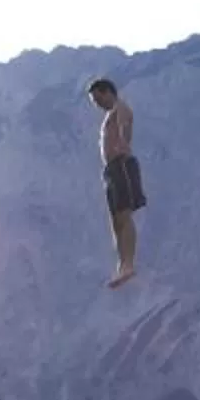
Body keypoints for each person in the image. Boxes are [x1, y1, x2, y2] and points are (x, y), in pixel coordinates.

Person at [86, 77, 146, 288]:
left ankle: (128, 263)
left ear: (107, 92)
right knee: (115, 220)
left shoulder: (121, 109)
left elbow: (125, 128)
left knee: (124, 213)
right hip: (111, 169)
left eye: (97, 99)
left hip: (122, 165)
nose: (97, 104)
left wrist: (123, 143)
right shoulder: (111, 114)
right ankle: (122, 264)